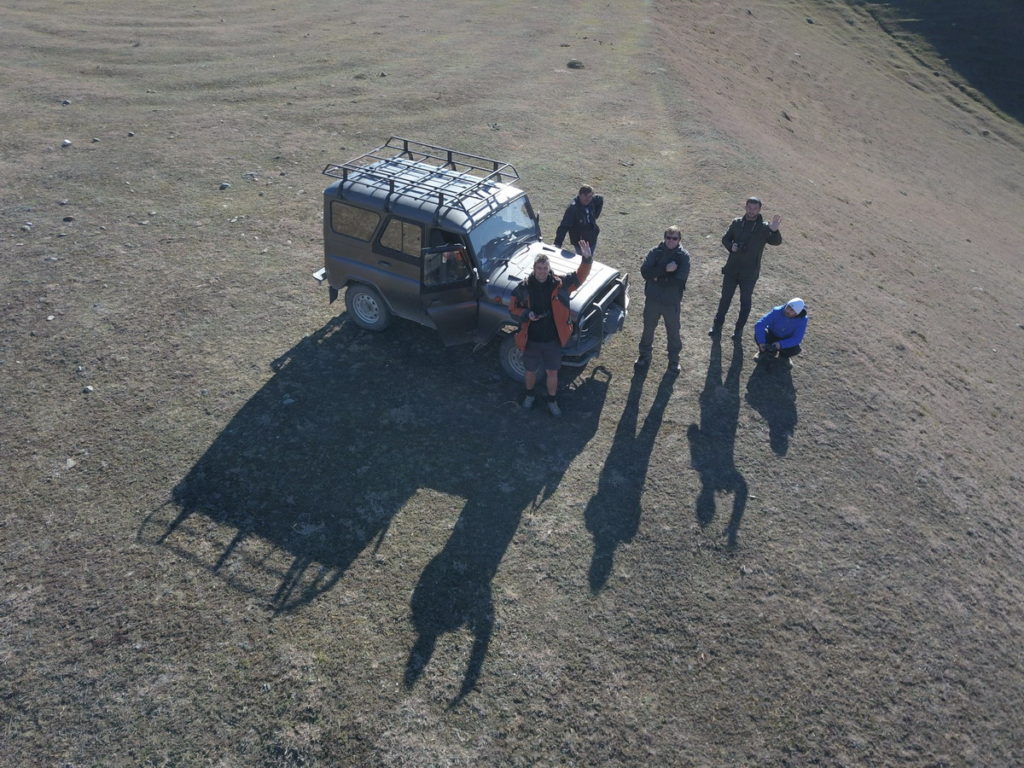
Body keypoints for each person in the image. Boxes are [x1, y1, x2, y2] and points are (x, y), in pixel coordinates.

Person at [509, 241, 594, 416]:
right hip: (531, 340)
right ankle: (529, 396)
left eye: (545, 268)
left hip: (552, 341)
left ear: (549, 269)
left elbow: (580, 276)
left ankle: (552, 401)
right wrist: (526, 314)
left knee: (552, 372)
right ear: (534, 269)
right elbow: (512, 308)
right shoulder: (523, 288)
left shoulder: (560, 284)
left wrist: (587, 259)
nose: (542, 271)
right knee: (530, 371)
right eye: (539, 268)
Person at [709, 197, 783, 340]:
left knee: (745, 302)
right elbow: (725, 238)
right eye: (749, 207)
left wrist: (774, 231)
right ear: (745, 207)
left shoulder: (764, 228)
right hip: (732, 270)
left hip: (749, 274)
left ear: (759, 210)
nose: (751, 211)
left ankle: (738, 330)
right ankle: (717, 326)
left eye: (755, 208)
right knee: (725, 299)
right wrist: (731, 246)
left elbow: (776, 242)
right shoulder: (737, 223)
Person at [635, 226, 691, 374]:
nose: (671, 241)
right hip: (653, 300)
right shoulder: (655, 252)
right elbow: (645, 272)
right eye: (668, 237)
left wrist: (657, 278)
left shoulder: (683, 256)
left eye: (674, 238)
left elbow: (679, 281)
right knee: (648, 330)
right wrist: (665, 270)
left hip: (671, 303)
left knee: (673, 332)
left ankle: (674, 361)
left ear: (679, 240)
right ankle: (644, 356)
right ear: (664, 238)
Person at [753, 297, 808, 367]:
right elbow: (760, 324)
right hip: (772, 334)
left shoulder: (802, 320)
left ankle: (784, 357)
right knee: (759, 335)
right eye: (788, 307)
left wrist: (781, 344)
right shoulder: (777, 311)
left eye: (792, 310)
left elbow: (797, 338)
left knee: (795, 349)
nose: (787, 311)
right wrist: (761, 342)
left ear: (797, 313)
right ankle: (762, 352)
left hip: (786, 339)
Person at [553, 185, 604, 254]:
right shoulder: (573, 208)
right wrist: (557, 243)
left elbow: (600, 199)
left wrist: (595, 216)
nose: (588, 199)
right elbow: (564, 226)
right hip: (580, 241)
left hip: (592, 238)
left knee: (589, 257)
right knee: (582, 258)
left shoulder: (593, 200)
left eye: (590, 196)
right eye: (585, 196)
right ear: (579, 195)